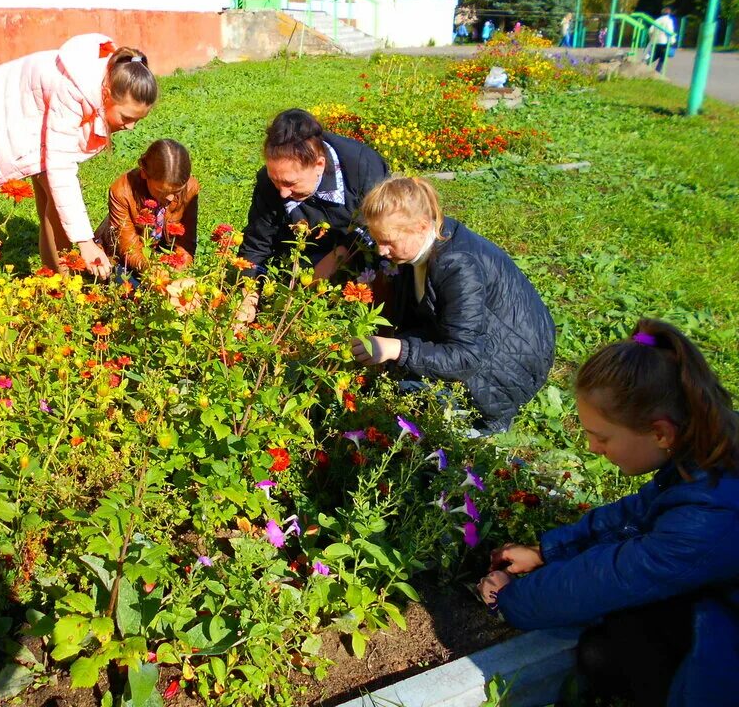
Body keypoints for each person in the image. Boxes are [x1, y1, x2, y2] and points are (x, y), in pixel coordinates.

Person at [479, 319, 739, 707]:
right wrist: (547, 551)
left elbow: (610, 578)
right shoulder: (705, 457)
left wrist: (513, 598)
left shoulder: (708, 517)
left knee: (618, 642)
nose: (593, 448)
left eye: (601, 436)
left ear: (660, 433)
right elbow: (635, 513)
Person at [0, 33, 158, 279]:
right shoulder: (72, 92)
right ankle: (64, 280)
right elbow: (60, 169)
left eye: (138, 120)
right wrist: (85, 242)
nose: (130, 127)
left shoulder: (106, 78)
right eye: (126, 118)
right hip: (5, 113)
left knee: (50, 195)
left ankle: (53, 275)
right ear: (106, 93)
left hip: (31, 112)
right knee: (55, 195)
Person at [350, 177, 554, 434]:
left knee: (408, 414)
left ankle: (484, 424)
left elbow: (467, 358)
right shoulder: (426, 245)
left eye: (388, 241)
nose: (381, 251)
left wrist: (398, 349)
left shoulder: (457, 265)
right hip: (491, 342)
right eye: (377, 240)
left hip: (509, 366)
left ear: (422, 226)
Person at [236, 108, 388, 322]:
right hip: (301, 262)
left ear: (319, 164)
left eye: (290, 183)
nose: (282, 192)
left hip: (364, 263)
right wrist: (248, 297)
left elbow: (382, 227)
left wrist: (338, 255)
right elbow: (256, 244)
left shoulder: (362, 167)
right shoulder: (270, 182)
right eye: (274, 179)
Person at [96, 138, 198, 274]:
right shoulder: (122, 191)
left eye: (177, 191)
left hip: (162, 246)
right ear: (144, 173)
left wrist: (177, 270)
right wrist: (152, 271)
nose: (171, 198)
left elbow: (186, 243)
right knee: (126, 283)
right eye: (163, 191)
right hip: (123, 250)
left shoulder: (191, 189)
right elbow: (128, 248)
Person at [649, 6, 676, 73]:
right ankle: (657, 71)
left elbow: (650, 31)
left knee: (657, 54)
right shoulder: (669, 21)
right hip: (664, 41)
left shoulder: (657, 20)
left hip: (655, 41)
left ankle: (645, 63)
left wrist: (651, 38)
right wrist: (673, 41)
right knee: (663, 57)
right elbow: (670, 31)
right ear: (669, 13)